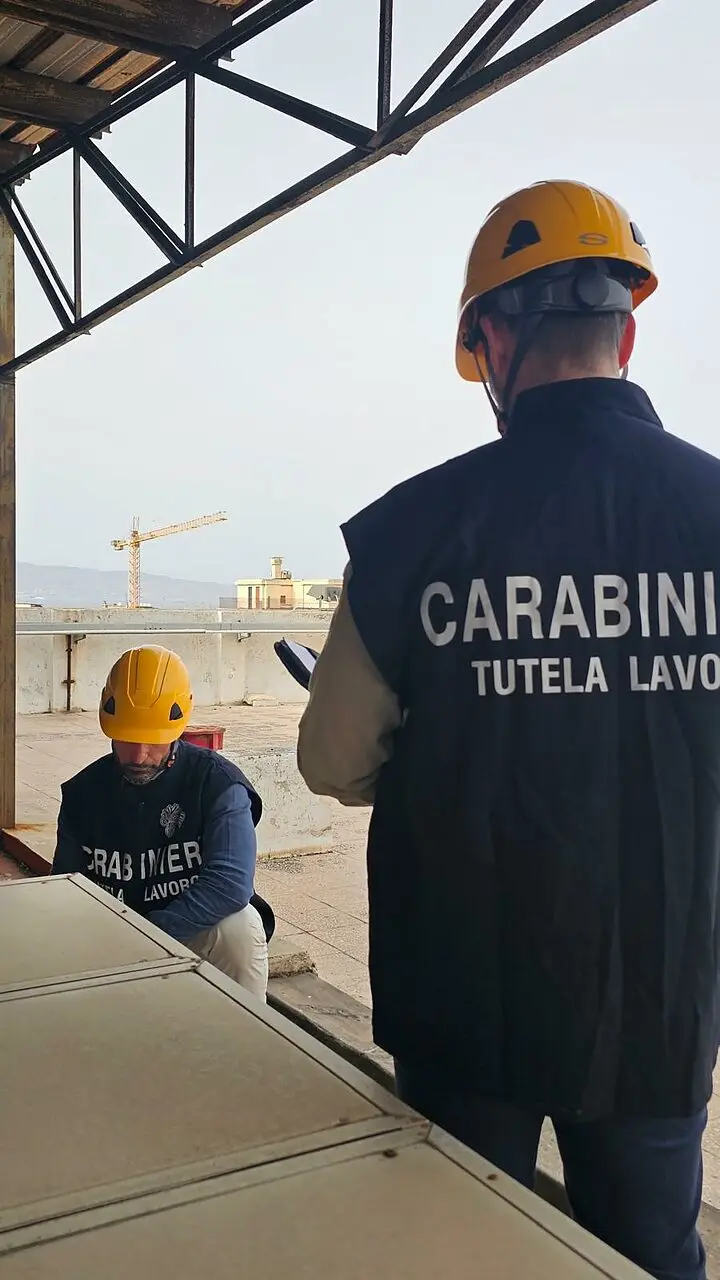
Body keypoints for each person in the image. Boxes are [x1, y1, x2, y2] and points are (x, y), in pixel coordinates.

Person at [296, 180, 720, 1280]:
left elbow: (331, 760)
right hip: (657, 991)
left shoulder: (412, 531)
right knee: (649, 1254)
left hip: (464, 997)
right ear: (628, 330)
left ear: (489, 337)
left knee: (461, 1251)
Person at [53, 645, 274, 1001]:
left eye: (154, 740)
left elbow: (229, 883)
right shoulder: (83, 793)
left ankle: (245, 1030)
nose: (139, 756)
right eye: (127, 738)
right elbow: (65, 890)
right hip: (109, 936)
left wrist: (149, 938)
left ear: (177, 727)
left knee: (240, 927)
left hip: (182, 927)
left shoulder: (216, 783)